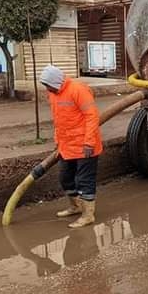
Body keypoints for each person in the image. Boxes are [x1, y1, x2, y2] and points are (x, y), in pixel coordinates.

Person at [40, 64, 102, 228]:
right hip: (67, 146)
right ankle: (76, 206)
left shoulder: (78, 90)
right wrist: (58, 145)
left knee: (84, 180)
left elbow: (92, 116)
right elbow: (59, 121)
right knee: (65, 178)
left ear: (57, 82)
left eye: (48, 85)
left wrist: (89, 142)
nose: (47, 89)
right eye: (45, 86)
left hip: (85, 146)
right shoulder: (53, 94)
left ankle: (88, 215)